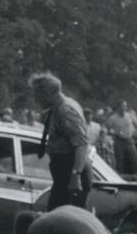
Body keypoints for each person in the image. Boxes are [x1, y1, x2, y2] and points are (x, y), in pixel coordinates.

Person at [30, 72, 91, 211]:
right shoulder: (57, 108)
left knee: (65, 221)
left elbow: (81, 144)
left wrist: (75, 176)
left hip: (71, 172)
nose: (35, 100)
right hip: (64, 171)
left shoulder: (65, 111)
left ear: (46, 93)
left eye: (37, 95)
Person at [106, 101, 137, 174]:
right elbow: (107, 128)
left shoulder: (130, 116)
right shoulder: (113, 118)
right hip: (119, 140)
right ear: (117, 107)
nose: (123, 108)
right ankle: (120, 175)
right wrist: (113, 133)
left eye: (124, 106)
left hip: (129, 139)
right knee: (120, 159)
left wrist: (135, 133)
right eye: (121, 106)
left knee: (134, 157)